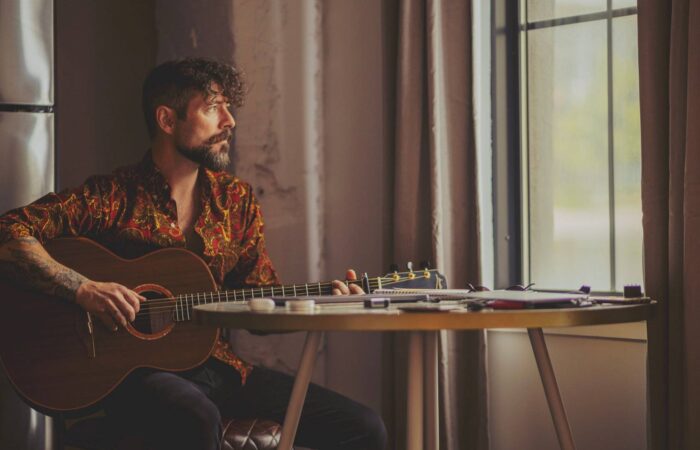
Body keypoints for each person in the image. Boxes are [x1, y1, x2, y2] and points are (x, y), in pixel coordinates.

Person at [0, 58, 387, 450]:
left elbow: (262, 303)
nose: (229, 121)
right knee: (196, 416)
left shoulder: (236, 200)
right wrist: (82, 288)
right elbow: (8, 232)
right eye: (212, 107)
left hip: (220, 369)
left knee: (364, 427)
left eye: (228, 108)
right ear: (167, 120)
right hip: (135, 375)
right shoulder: (113, 197)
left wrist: (325, 305)